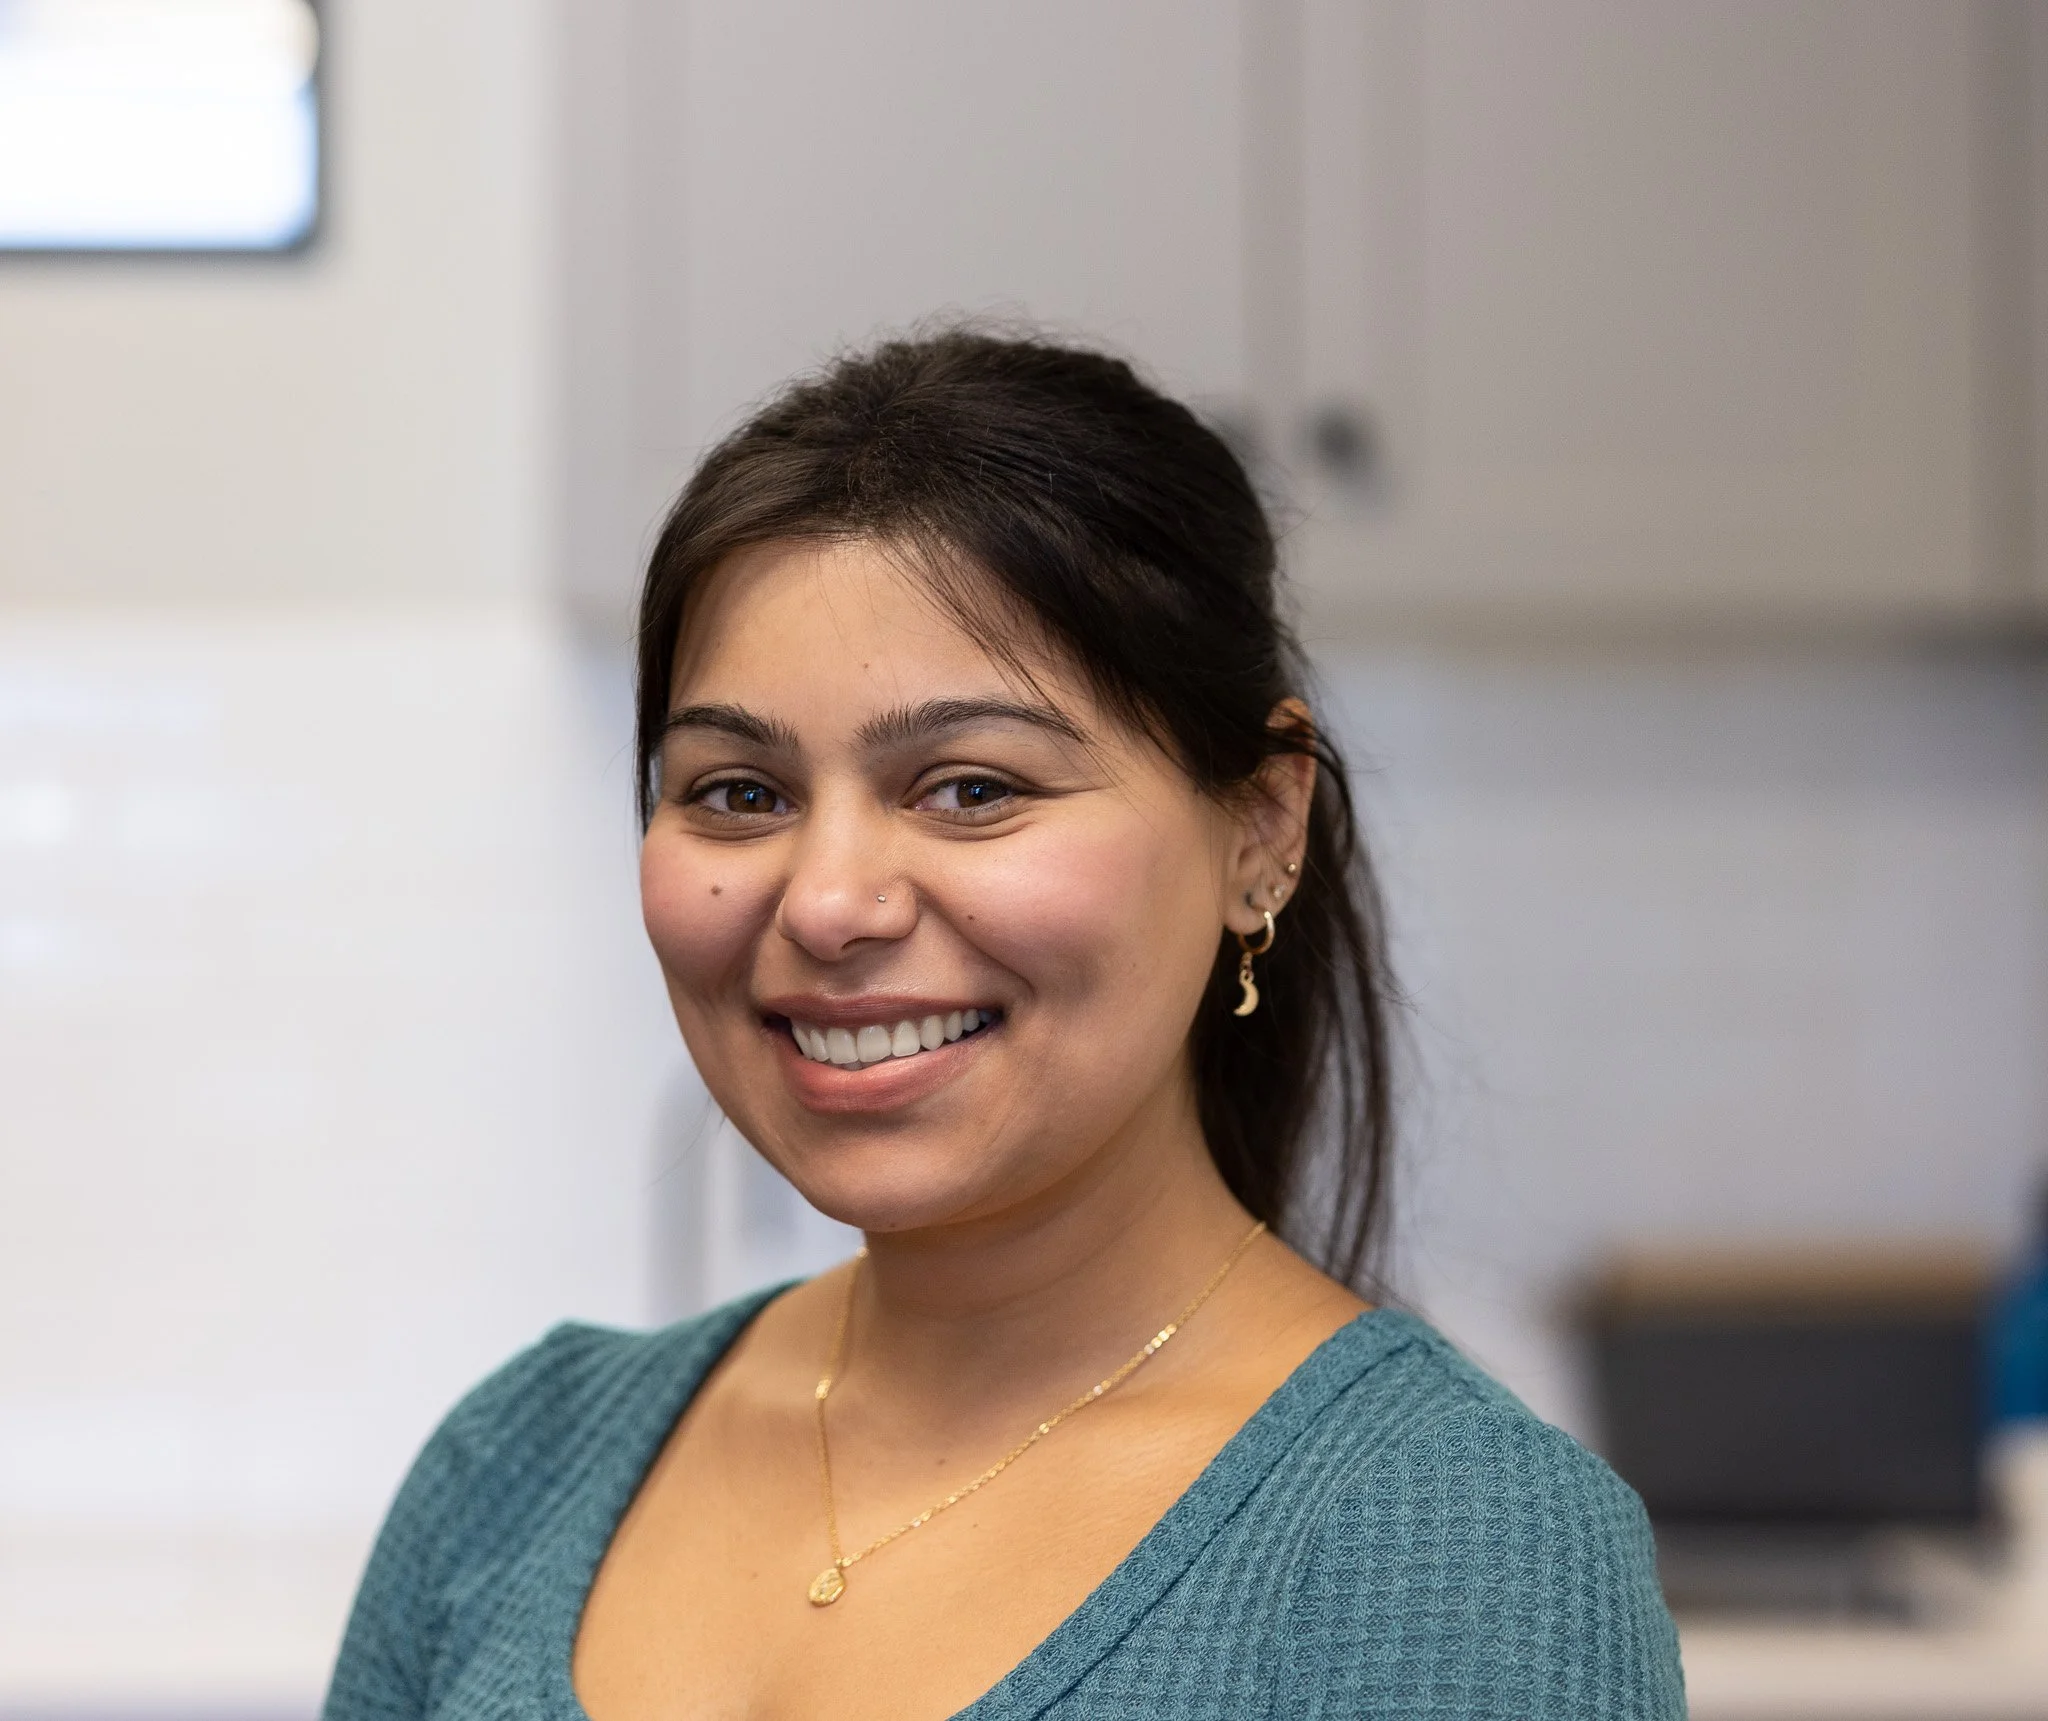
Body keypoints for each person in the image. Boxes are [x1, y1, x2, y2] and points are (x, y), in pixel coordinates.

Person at [323, 331, 1685, 1719]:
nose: (829, 904)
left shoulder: (1458, 1552)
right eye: (739, 793)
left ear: (1262, 828)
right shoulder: (516, 1469)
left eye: (973, 788)